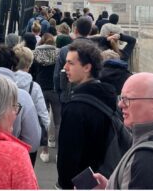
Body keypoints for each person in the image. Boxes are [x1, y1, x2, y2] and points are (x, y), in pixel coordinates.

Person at [56, 39, 118, 189]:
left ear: (87, 67)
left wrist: (66, 186)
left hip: (83, 184)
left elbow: (68, 160)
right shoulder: (110, 97)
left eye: (71, 63)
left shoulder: (76, 108)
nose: (65, 68)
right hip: (106, 178)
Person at [93, 73, 153, 189]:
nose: (120, 104)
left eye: (128, 99)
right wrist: (111, 186)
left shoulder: (146, 162)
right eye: (121, 98)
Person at [13, 45, 50, 166]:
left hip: (7, 136)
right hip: (27, 141)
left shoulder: (5, 81)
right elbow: (43, 115)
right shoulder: (34, 87)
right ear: (29, 64)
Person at [32, 33, 61, 163]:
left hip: (41, 88)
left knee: (43, 120)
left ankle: (45, 151)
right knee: (58, 121)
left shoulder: (35, 54)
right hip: (54, 89)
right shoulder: (58, 54)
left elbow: (32, 73)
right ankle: (59, 151)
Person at [53, 17, 92, 109]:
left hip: (68, 95)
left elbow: (57, 75)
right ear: (89, 31)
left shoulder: (64, 50)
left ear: (75, 30)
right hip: (90, 96)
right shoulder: (96, 51)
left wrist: (60, 92)